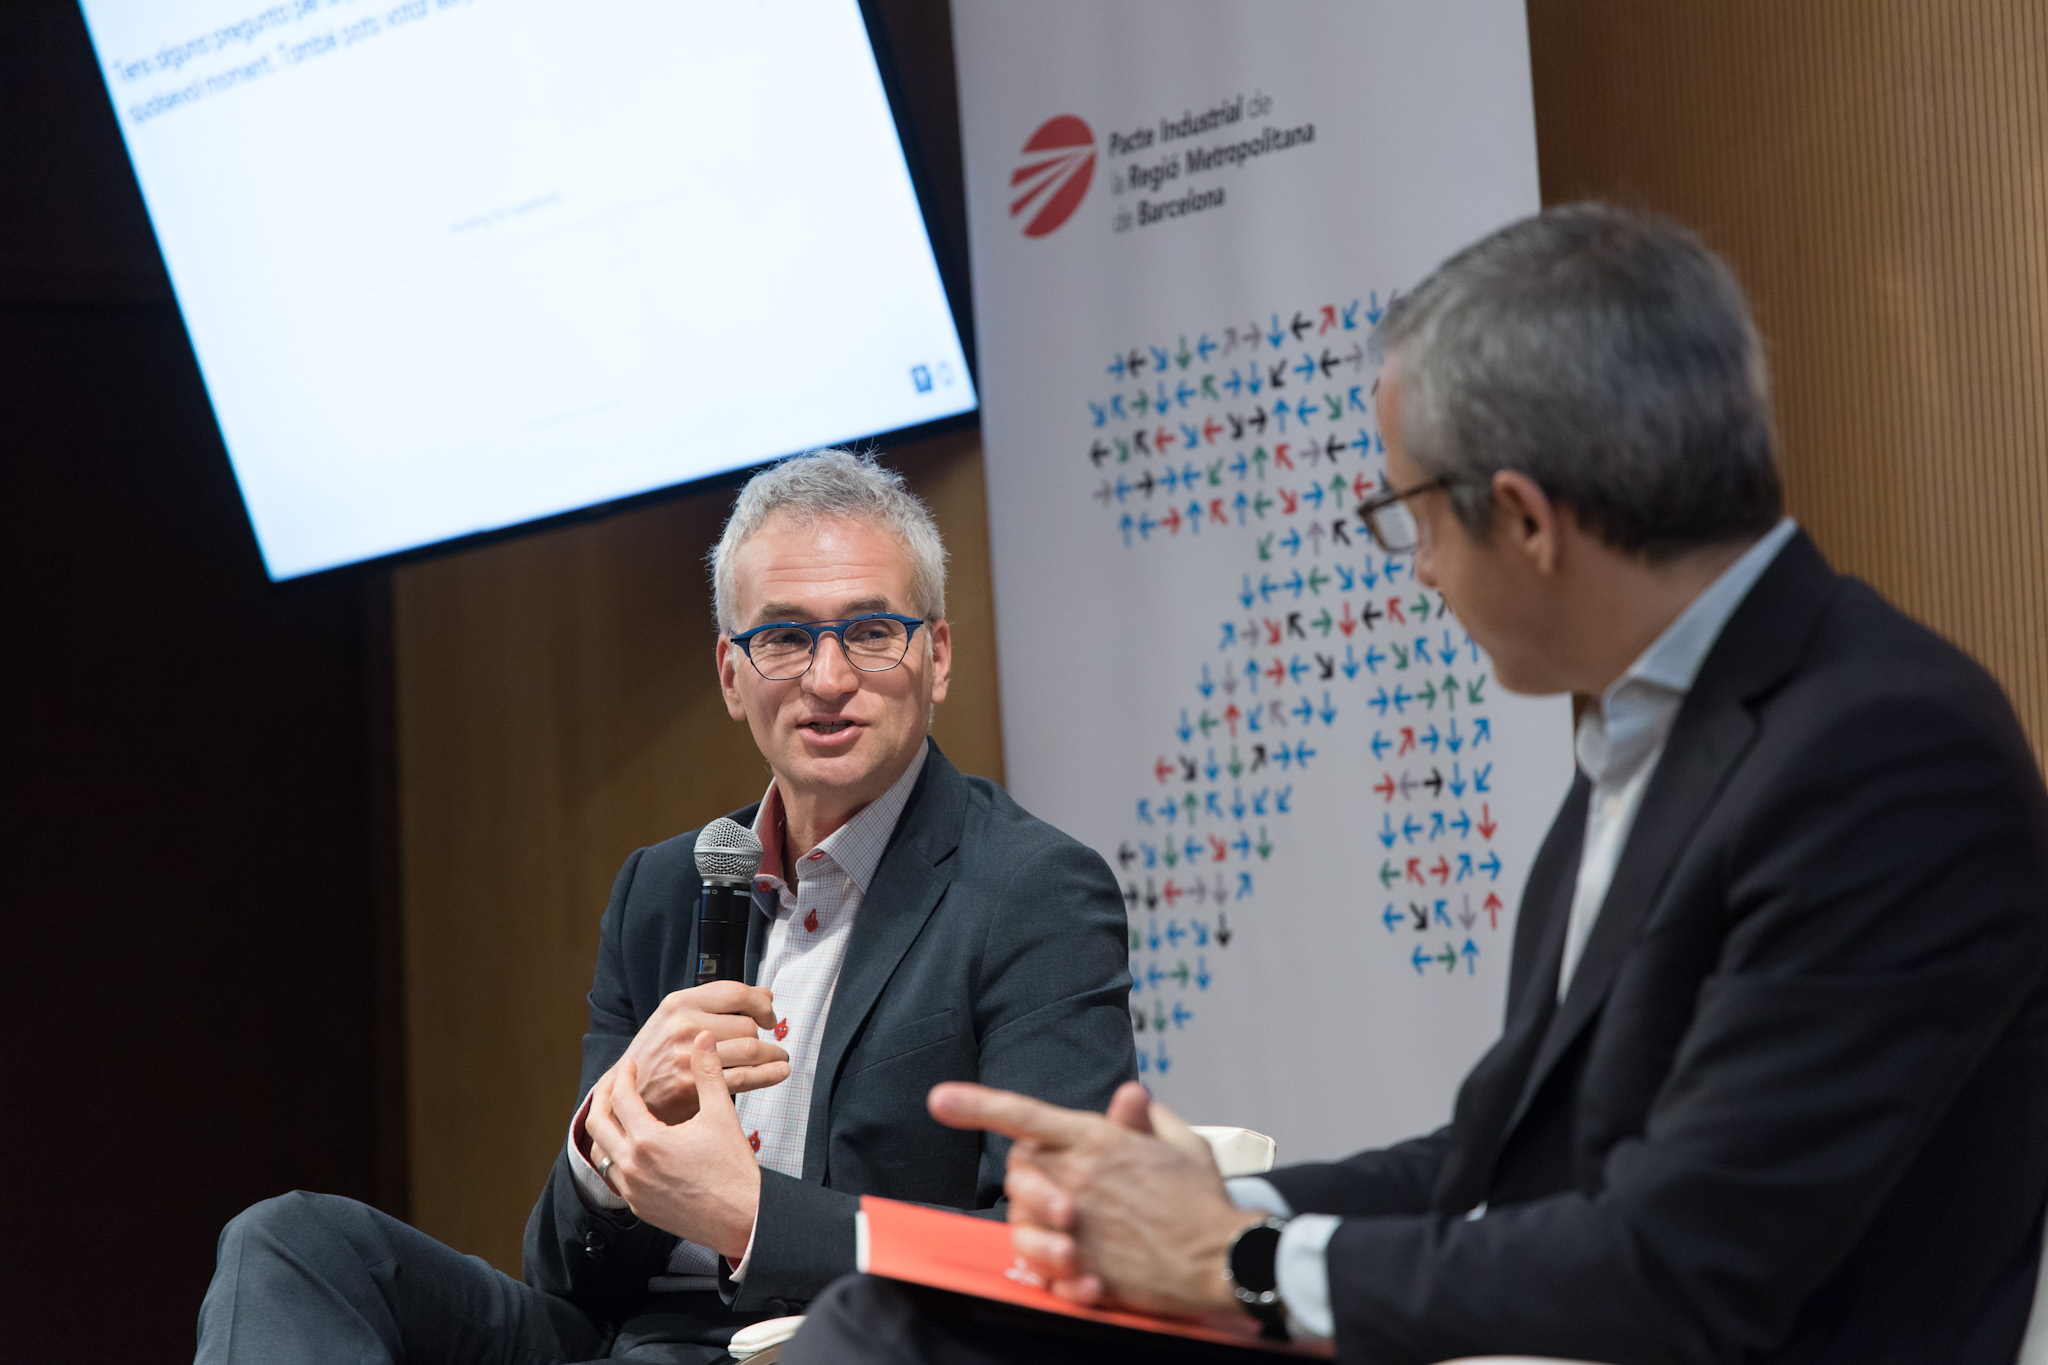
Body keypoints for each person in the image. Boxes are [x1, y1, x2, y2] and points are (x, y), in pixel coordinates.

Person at [780, 205, 2048, 1365]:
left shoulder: (1881, 756)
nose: (1420, 571)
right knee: (903, 1319)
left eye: (1413, 518)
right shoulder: (1658, 725)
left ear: (1528, 520)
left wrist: (1236, 1263)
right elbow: (1498, 1159)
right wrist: (1202, 1205)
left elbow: (1682, 1265)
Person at [196, 450, 1138, 1363]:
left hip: (830, 1342)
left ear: (936, 657)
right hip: (622, 1341)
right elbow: (564, 1277)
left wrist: (751, 1218)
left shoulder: (1033, 890)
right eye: (783, 637)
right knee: (288, 1244)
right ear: (732, 675)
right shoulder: (664, 886)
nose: (827, 677)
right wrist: (605, 1150)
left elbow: (1048, 1253)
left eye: (871, 630)